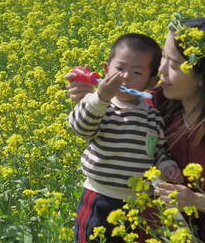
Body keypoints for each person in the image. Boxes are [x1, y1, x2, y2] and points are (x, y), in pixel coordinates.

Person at [66, 15, 205, 242]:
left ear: (203, 77)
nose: (161, 71)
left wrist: (195, 200)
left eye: (173, 64)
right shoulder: (157, 100)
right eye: (163, 59)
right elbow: (112, 106)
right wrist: (89, 94)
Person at [69, 33, 183, 243]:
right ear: (106, 70)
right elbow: (80, 127)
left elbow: (157, 150)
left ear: (151, 82)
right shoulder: (101, 106)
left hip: (138, 204)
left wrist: (167, 165)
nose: (125, 77)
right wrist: (100, 97)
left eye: (137, 72)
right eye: (119, 69)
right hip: (98, 198)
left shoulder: (152, 116)